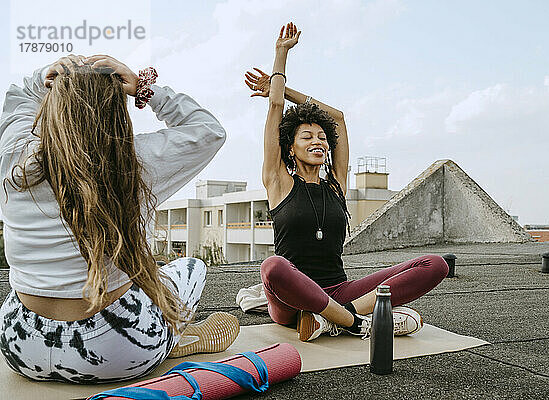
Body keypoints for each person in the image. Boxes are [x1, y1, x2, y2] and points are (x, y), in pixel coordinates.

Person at [0, 54, 238, 383]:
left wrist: (49, 73)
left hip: (19, 346)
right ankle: (173, 342)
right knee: (189, 268)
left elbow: (19, 96)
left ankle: (166, 340)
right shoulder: (138, 162)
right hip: (115, 351)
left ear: (52, 103)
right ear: (116, 110)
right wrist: (144, 89)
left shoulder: (14, 159)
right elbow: (210, 132)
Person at [245, 23, 449, 341]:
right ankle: (352, 322)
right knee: (273, 267)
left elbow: (338, 118)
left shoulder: (335, 184)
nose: (318, 141)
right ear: (290, 146)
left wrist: (286, 91)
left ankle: (335, 318)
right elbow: (275, 107)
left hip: (340, 290)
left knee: (435, 264)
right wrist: (280, 56)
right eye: (307, 136)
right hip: (290, 300)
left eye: (321, 137)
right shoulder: (278, 180)